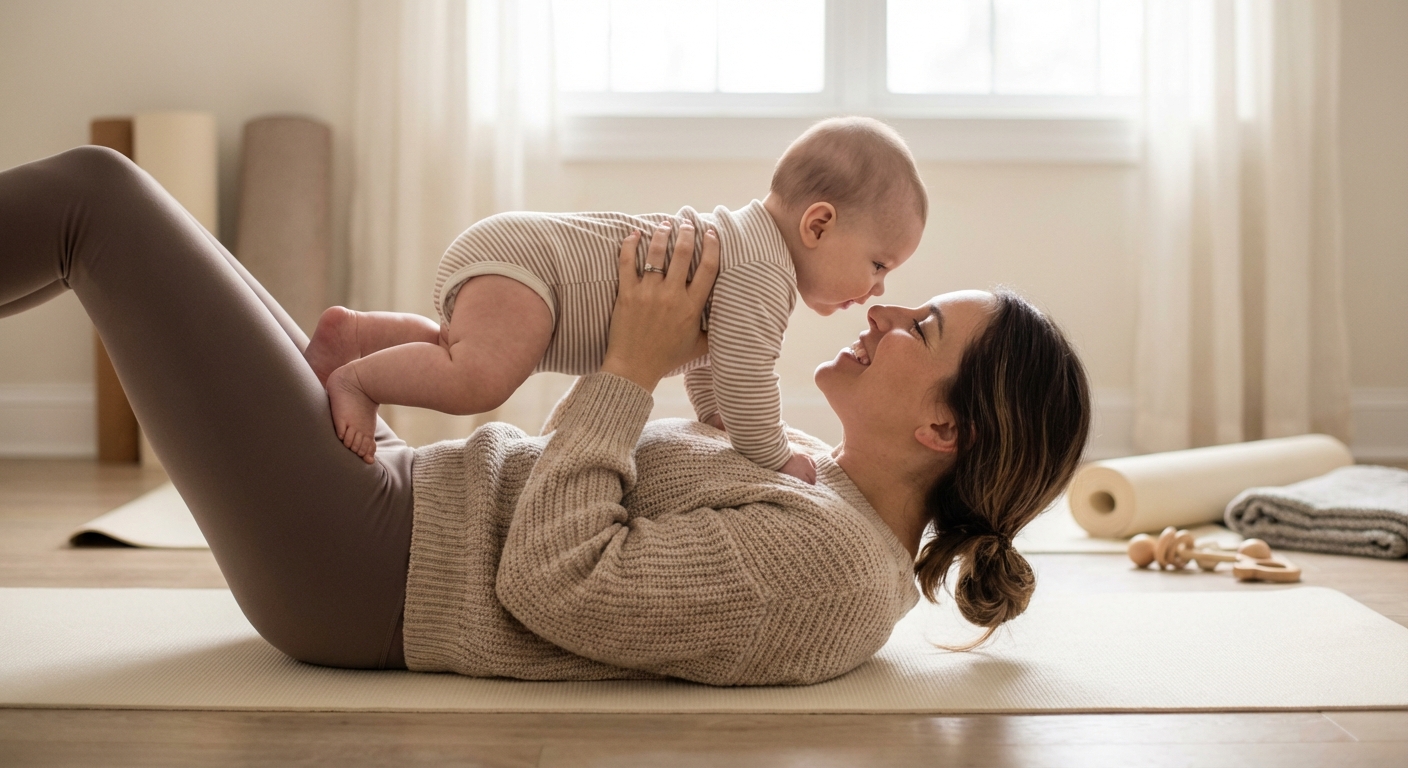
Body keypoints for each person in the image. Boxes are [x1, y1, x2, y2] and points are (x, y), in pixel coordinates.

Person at [0, 145, 1088, 685]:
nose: (885, 306)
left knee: (96, 202)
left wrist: (626, 367)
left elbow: (555, 584)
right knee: (118, 208)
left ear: (947, 431)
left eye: (922, 329)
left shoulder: (834, 577)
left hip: (363, 570)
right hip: (398, 500)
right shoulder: (811, 473)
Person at [305, 117, 928, 484]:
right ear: (817, 225)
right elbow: (745, 372)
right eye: (878, 265)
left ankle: (358, 336)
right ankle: (360, 381)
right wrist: (773, 455)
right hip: (536, 270)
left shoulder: (747, 254)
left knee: (459, 349)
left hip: (522, 256)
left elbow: (713, 366)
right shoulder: (764, 270)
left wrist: (715, 421)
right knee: (478, 379)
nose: (877, 290)